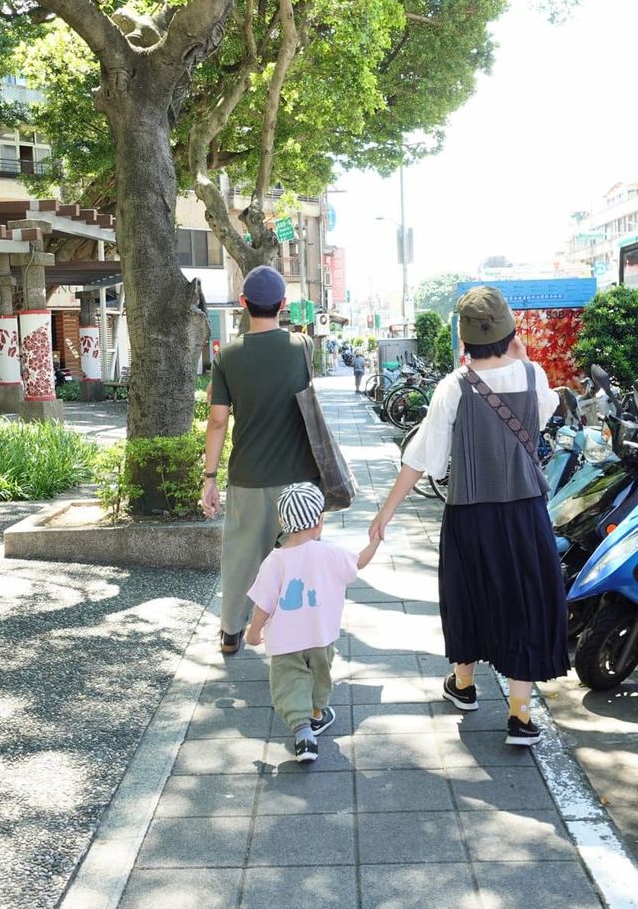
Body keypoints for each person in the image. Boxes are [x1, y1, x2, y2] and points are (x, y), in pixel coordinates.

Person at [369, 285, 569, 747]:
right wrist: (520, 353)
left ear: (464, 340)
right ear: (509, 332)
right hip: (524, 512)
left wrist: (385, 514)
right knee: (526, 602)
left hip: (469, 513)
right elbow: (546, 412)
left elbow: (423, 457)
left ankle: (463, 685)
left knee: (468, 596)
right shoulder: (532, 374)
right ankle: (520, 715)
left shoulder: (452, 387)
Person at [201, 265, 319, 654]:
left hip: (248, 475)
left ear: (243, 304)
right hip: (299, 477)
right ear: (283, 305)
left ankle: (232, 631)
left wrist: (209, 477)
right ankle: (295, 628)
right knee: (297, 553)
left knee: (241, 554)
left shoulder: (228, 357)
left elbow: (218, 420)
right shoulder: (302, 347)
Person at [245, 481, 381, 762]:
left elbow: (264, 604)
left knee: (290, 682)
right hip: (321, 636)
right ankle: (317, 713)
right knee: (321, 676)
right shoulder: (330, 553)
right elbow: (359, 562)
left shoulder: (275, 561)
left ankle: (303, 732)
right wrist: (375, 540)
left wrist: (253, 632)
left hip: (285, 641)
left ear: (282, 521)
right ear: (319, 521)